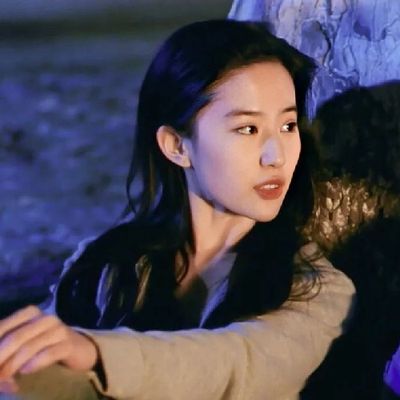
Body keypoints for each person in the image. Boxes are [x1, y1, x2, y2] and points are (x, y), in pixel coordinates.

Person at [0, 20, 355, 400]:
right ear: (177, 146)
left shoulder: (316, 289)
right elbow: (42, 366)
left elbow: (236, 363)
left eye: (287, 126)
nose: (277, 156)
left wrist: (95, 352)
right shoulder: (109, 265)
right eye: (248, 129)